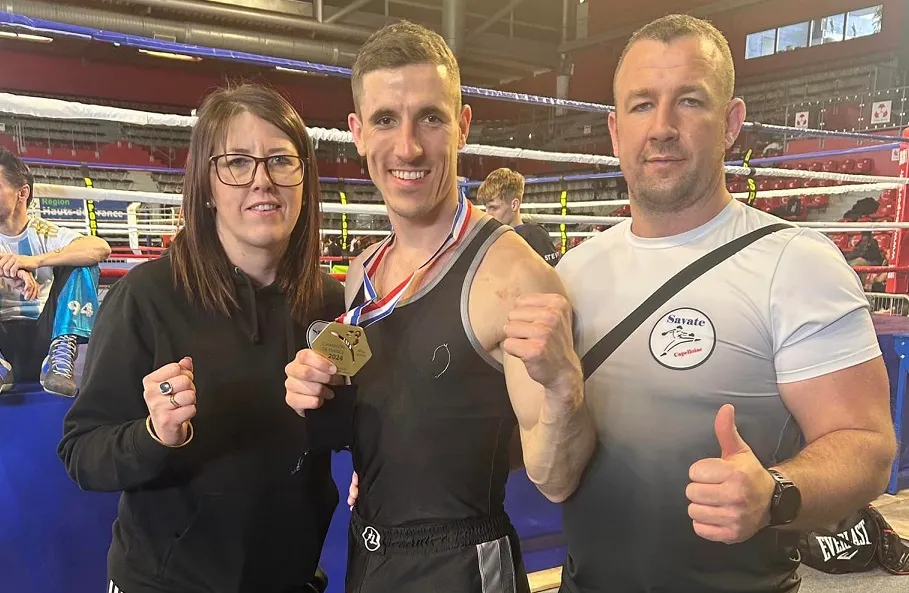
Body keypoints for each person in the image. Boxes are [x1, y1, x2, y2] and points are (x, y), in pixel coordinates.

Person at [555, 14, 896, 593]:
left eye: (689, 101)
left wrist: (775, 493)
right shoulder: (572, 273)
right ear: (614, 130)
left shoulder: (796, 264)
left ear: (732, 123)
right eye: (641, 105)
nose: (662, 128)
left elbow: (868, 446)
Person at [285, 21, 595, 593]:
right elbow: (388, 414)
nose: (408, 147)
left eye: (430, 117)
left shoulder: (516, 277)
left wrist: (563, 388)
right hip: (369, 555)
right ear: (357, 132)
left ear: (463, 126)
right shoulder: (363, 274)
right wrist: (316, 389)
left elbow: (556, 479)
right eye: (385, 119)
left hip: (462, 568)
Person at [58, 84, 343, 593]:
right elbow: (82, 452)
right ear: (207, 185)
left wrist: (346, 420)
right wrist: (154, 435)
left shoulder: (332, 303)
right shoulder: (147, 297)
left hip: (289, 578)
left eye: (281, 160)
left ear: (305, 179)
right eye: (237, 162)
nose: (262, 180)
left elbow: (349, 434)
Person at [0, 146, 110, 397]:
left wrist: (35, 261)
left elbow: (99, 247)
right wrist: (10, 269)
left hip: (46, 338)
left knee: (84, 262)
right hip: (3, 341)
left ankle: (60, 358)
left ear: (22, 193)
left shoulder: (45, 233)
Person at [478, 167, 561, 266]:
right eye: (486, 208)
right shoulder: (490, 238)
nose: (487, 214)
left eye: (493, 208)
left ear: (514, 205)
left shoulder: (534, 236)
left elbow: (550, 273)